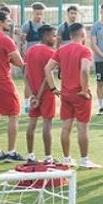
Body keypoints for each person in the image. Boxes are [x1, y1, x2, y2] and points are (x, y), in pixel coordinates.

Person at [44, 23, 101, 169]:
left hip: (66, 93)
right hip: (80, 94)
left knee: (66, 127)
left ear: (70, 36)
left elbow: (47, 68)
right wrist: (83, 89)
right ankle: (84, 160)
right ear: (83, 35)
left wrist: (53, 88)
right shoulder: (85, 50)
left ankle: (67, 158)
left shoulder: (61, 50)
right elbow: (84, 70)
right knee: (82, 127)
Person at [0, 11, 26, 162]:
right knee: (14, 114)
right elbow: (20, 62)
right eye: (8, 21)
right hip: (2, 80)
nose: (10, 23)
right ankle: (11, 152)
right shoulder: (5, 39)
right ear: (1, 22)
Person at [25, 25, 58, 164]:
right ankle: (48, 157)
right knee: (47, 123)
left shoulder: (30, 50)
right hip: (45, 94)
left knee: (32, 122)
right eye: (53, 35)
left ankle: (30, 155)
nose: (55, 38)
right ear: (45, 36)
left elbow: (25, 74)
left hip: (33, 93)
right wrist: (38, 95)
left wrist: (32, 94)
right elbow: (47, 75)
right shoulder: (50, 52)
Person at [21, 2, 47, 113]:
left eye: (41, 14)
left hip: (42, 58)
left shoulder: (45, 26)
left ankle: (42, 102)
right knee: (28, 81)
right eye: (37, 14)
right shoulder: (27, 26)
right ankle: (27, 105)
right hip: (30, 58)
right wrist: (23, 56)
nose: (39, 16)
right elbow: (21, 43)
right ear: (33, 13)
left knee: (43, 81)